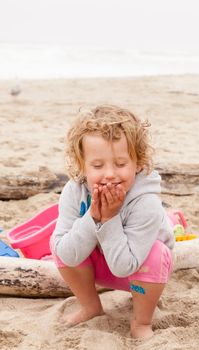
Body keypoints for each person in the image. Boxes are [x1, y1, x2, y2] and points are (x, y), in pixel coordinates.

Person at [50, 105, 175, 339]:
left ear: (138, 163)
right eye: (97, 166)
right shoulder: (74, 191)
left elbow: (124, 266)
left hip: (140, 274)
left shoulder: (146, 202)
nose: (109, 174)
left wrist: (109, 218)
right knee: (60, 243)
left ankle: (141, 321)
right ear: (82, 165)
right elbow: (67, 255)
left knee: (156, 254)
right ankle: (90, 306)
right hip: (96, 265)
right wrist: (93, 217)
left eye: (120, 164)